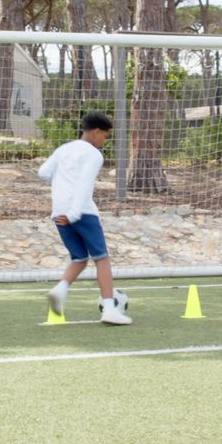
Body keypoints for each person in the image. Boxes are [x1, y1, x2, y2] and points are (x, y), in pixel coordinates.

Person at [38, 111, 132, 325]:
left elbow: (43, 172)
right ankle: (109, 309)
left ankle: (59, 291)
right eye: (105, 137)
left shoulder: (64, 149)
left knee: (79, 258)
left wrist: (62, 185)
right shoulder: (93, 154)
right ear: (97, 131)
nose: (104, 142)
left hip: (58, 211)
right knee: (102, 258)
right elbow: (84, 185)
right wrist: (74, 214)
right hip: (80, 212)